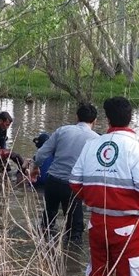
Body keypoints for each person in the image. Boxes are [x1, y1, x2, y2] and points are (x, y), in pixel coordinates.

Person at [69, 96, 139, 276]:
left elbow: (75, 182)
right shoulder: (137, 149)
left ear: (107, 119)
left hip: (97, 222)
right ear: (130, 118)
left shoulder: (91, 145)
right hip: (127, 226)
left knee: (97, 271)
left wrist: (94, 199)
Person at [34, 103, 99, 245]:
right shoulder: (96, 139)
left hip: (52, 181)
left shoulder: (62, 130)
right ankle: (71, 256)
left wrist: (35, 167)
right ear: (95, 121)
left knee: (47, 222)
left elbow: (41, 153)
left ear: (77, 117)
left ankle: (43, 250)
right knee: (75, 231)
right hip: (73, 186)